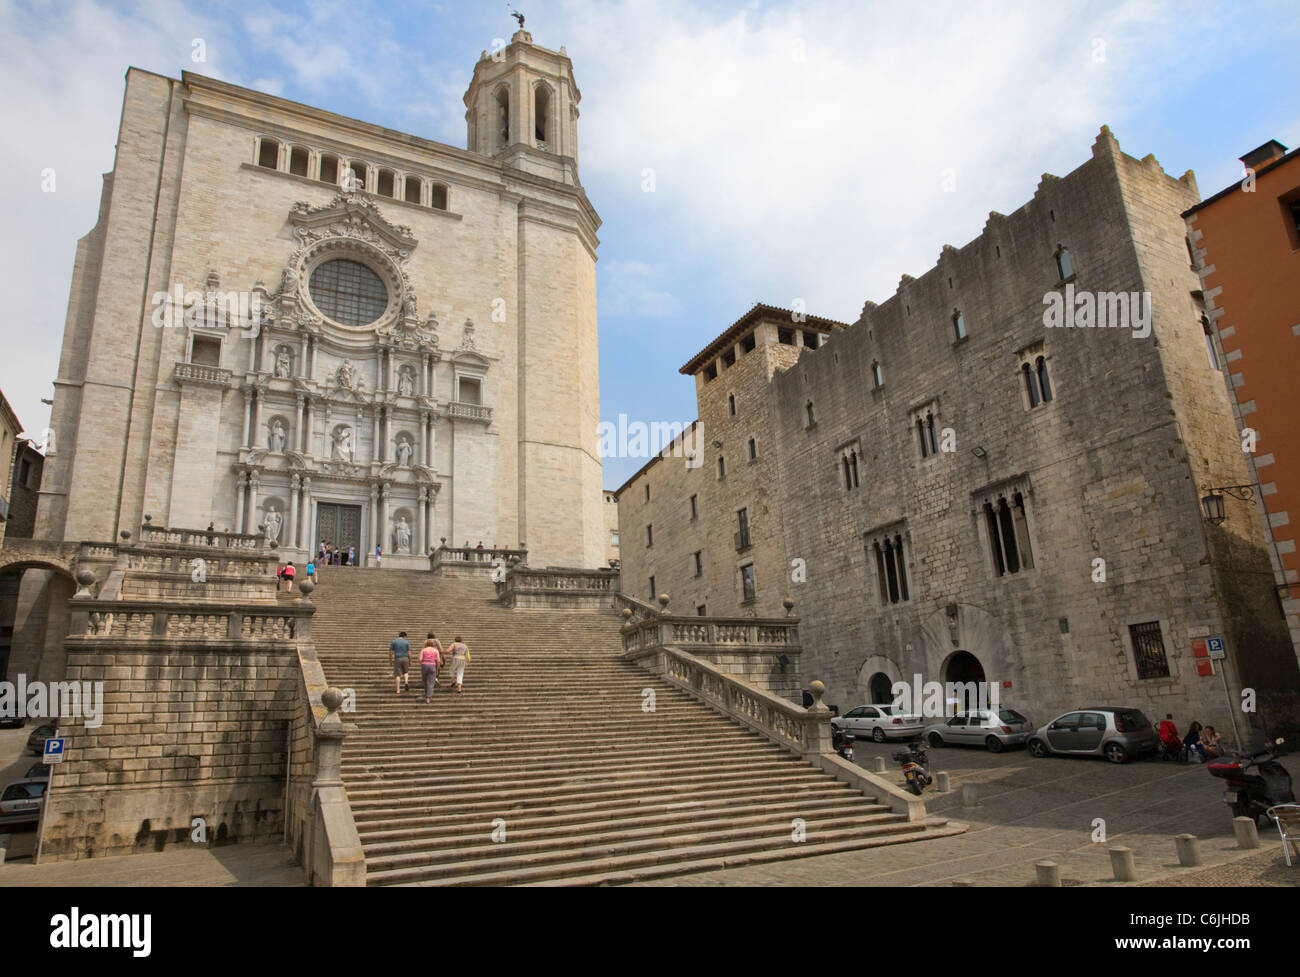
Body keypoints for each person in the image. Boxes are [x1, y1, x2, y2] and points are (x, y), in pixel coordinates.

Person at [419, 633, 444, 704]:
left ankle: (427, 693)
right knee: (431, 682)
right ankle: (428, 697)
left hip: (424, 665)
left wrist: (423, 662)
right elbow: (438, 661)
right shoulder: (435, 650)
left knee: (425, 681)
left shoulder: (423, 650)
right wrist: (437, 668)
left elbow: (420, 659)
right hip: (432, 665)